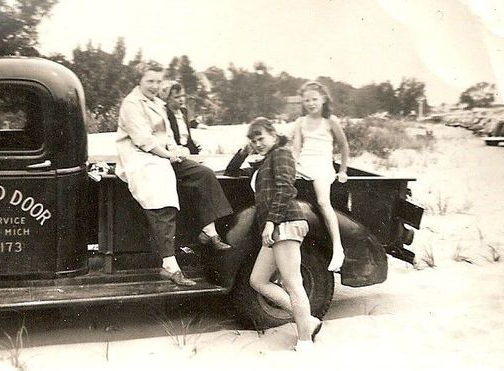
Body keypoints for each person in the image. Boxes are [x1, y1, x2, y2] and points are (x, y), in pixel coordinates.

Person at [115, 62, 233, 286]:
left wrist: (176, 150)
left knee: (203, 173)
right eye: (150, 81)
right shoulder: (131, 105)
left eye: (158, 81)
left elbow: (167, 136)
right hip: (142, 159)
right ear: (139, 80)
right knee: (162, 191)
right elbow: (144, 141)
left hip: (162, 155)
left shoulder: (159, 104)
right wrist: (168, 155)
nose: (155, 86)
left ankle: (209, 230)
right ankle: (169, 265)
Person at [228, 117, 323, 352]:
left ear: (273, 134)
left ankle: (305, 341)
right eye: (253, 140)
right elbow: (231, 171)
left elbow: (285, 189)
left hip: (285, 222)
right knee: (258, 280)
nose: (258, 143)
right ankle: (308, 321)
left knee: (292, 282)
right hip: (277, 226)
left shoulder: (281, 154)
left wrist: (271, 223)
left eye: (261, 138)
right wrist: (245, 149)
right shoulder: (266, 159)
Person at [292, 81, 350, 272]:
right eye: (307, 100)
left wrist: (342, 170)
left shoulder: (330, 121)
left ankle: (338, 249)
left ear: (323, 99)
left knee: (323, 202)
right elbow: (296, 149)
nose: (310, 103)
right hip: (304, 165)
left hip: (322, 166)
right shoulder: (301, 122)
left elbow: (343, 146)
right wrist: (292, 167)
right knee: (284, 190)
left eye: (314, 99)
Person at [159, 81, 201, 155]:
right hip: (173, 151)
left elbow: (187, 131)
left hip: (188, 149)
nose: (181, 99)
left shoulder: (183, 111)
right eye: (177, 97)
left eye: (183, 96)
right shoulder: (164, 113)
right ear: (168, 99)